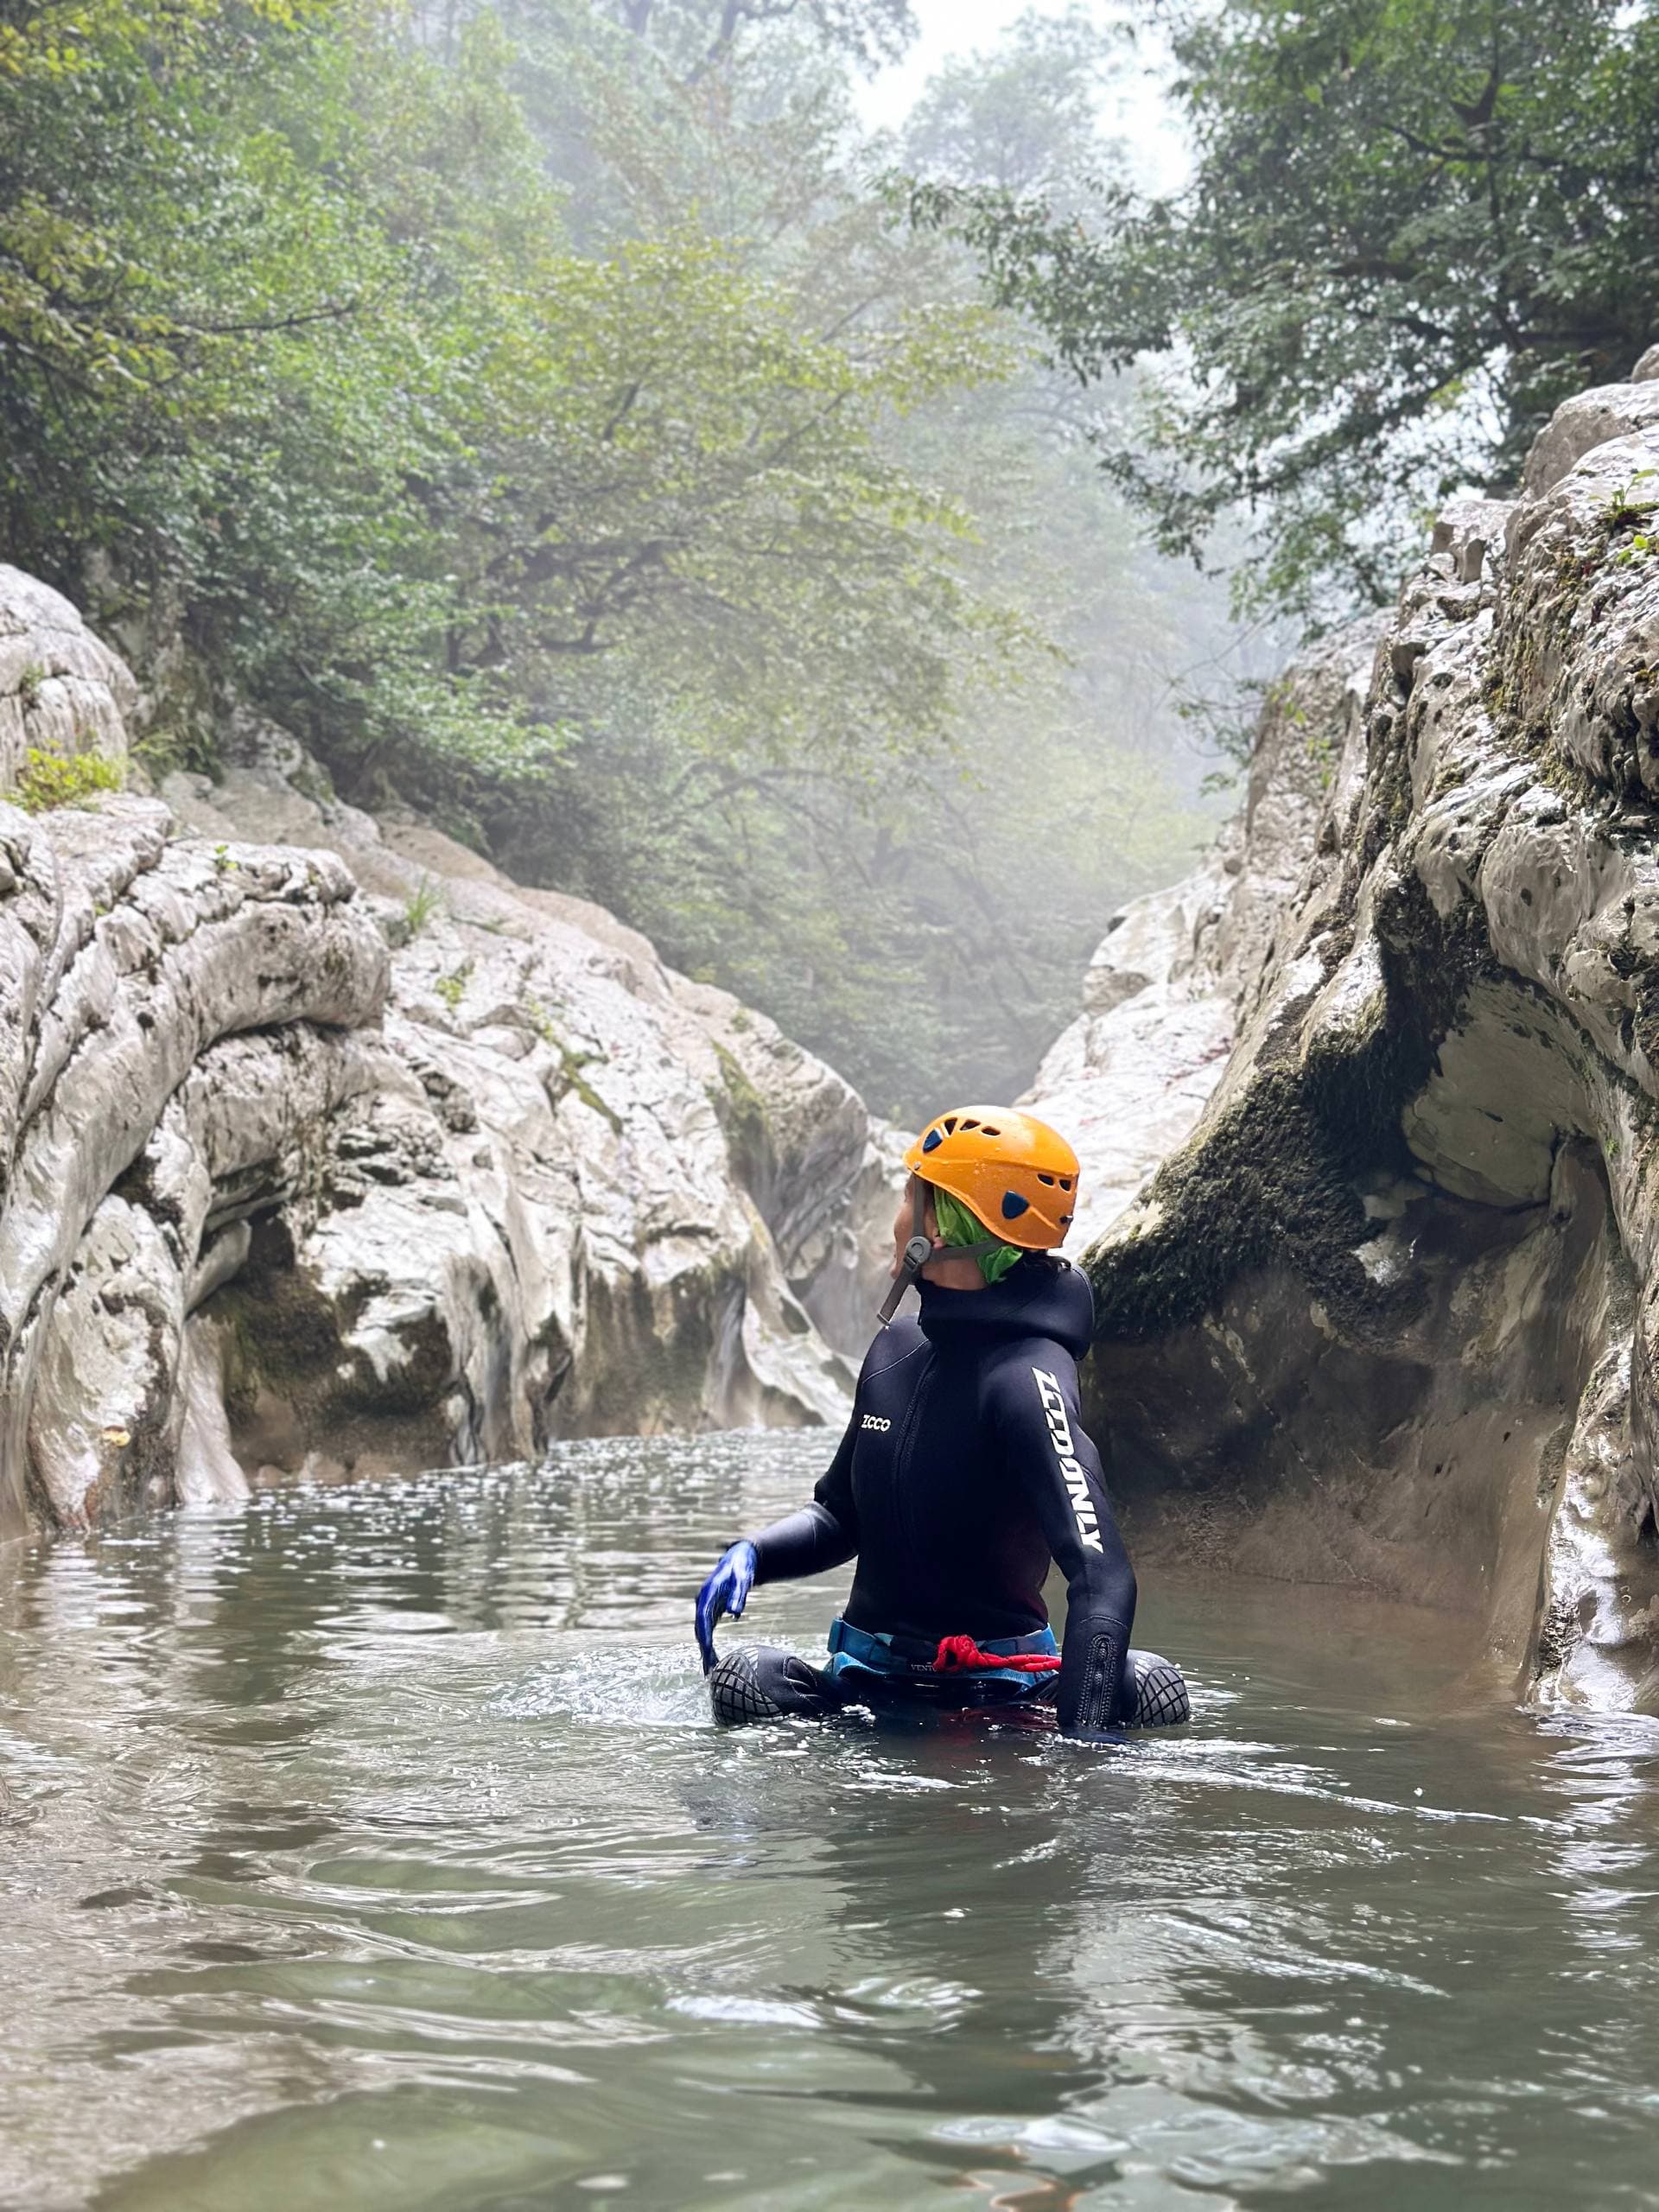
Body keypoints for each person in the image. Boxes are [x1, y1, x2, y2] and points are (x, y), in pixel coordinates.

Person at [692, 1107, 1188, 1738]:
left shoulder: (1027, 1378)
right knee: (744, 1682)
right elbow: (841, 1517)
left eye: (910, 1198)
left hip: (1006, 1694)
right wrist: (752, 1554)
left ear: (947, 1225)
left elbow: (1101, 1574)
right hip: (867, 1684)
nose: (896, 1221)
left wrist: (1085, 1755)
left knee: (1149, 1684)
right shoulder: (892, 1352)